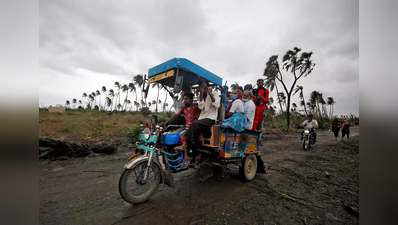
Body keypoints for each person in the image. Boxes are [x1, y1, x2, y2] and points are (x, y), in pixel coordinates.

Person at [186, 80, 220, 166]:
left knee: (194, 124)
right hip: (203, 118)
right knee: (194, 132)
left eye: (201, 88)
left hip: (211, 118)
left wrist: (210, 94)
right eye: (199, 89)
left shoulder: (214, 93)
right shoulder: (202, 96)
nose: (199, 90)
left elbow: (217, 105)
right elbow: (200, 107)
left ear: (205, 87)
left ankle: (188, 145)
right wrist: (201, 94)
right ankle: (196, 155)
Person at [166, 93, 200, 169]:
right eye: (184, 99)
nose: (184, 101)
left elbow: (198, 119)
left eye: (186, 99)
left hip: (193, 128)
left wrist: (191, 126)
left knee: (182, 134)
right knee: (174, 133)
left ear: (191, 100)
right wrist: (167, 122)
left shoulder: (195, 108)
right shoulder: (184, 108)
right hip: (186, 127)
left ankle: (184, 149)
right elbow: (176, 115)